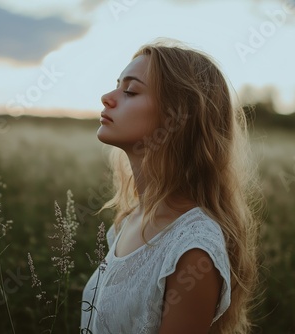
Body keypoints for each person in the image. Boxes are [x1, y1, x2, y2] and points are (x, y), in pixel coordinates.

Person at [80, 39, 259, 334]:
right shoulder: (131, 219)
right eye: (116, 86)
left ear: (177, 117)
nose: (107, 98)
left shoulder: (192, 251)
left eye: (130, 91)